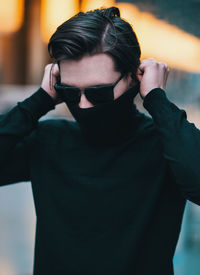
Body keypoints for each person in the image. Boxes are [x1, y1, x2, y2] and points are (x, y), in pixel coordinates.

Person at [0, 6, 200, 275]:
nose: (82, 106)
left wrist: (156, 99)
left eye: (99, 93)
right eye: (69, 93)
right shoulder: (47, 141)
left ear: (133, 78)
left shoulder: (164, 145)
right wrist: (39, 101)